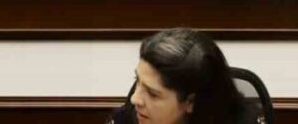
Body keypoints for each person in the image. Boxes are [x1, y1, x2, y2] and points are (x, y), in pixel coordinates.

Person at [107, 28, 260, 124]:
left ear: (191, 101)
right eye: (138, 81)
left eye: (152, 94)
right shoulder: (126, 119)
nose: (135, 99)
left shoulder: (244, 121)